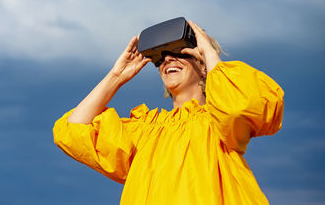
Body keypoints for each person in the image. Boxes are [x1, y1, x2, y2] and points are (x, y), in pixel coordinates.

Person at [53, 20, 284, 204]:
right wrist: (116, 77)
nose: (168, 59)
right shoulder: (145, 132)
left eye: (180, 51)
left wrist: (210, 56)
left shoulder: (220, 122)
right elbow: (73, 131)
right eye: (161, 57)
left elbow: (244, 105)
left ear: (201, 63)